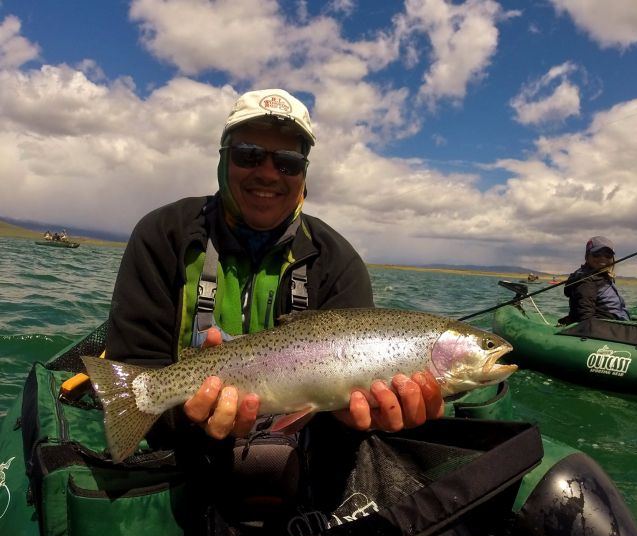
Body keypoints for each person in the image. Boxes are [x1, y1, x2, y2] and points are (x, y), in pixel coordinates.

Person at [106, 87, 444, 443]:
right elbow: (136, 364)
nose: (268, 173)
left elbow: (341, 412)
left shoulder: (338, 262)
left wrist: (358, 419)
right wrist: (190, 418)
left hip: (299, 461)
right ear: (223, 159)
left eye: (288, 162)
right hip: (182, 450)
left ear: (303, 173)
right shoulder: (164, 235)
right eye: (248, 155)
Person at [563, 235, 629, 322]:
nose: (602, 258)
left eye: (608, 255)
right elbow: (586, 319)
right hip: (605, 327)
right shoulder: (587, 281)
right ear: (587, 257)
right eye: (596, 254)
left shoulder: (602, 275)